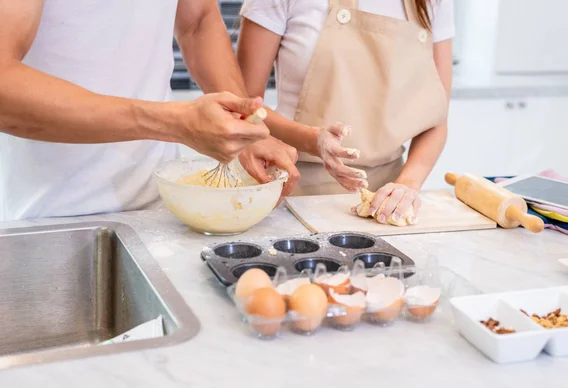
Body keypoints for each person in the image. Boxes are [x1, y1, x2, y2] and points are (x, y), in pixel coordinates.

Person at [0, 0, 300, 221]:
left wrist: (242, 121)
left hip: (156, 212)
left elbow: (198, 22)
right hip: (45, 214)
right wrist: (172, 122)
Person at [237, 0, 454, 224]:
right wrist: (312, 140)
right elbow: (242, 107)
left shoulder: (434, 3)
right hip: (291, 194)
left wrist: (406, 186)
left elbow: (436, 118)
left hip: (385, 206)